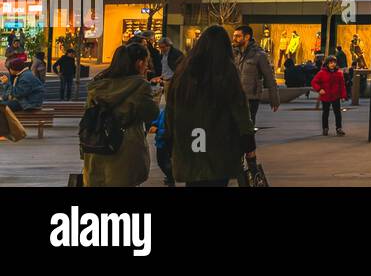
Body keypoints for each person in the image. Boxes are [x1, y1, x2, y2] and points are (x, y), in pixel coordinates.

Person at [168, 25, 258, 187]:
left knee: (194, 181)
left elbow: (171, 109)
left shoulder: (184, 71)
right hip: (218, 146)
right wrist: (248, 143)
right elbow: (240, 110)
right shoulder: (225, 71)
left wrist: (168, 137)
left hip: (190, 143)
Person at [81, 43, 159, 187]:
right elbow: (151, 114)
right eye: (146, 62)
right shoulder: (139, 86)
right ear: (139, 63)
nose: (147, 66)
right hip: (125, 147)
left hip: (96, 145)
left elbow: (88, 114)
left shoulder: (98, 85)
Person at [232, 23, 279, 130]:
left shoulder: (259, 55)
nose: (234, 39)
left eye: (238, 36)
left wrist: (274, 99)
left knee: (247, 126)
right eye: (234, 36)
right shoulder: (234, 54)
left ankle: (247, 145)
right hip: (235, 96)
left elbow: (269, 78)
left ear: (247, 37)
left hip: (251, 97)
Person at [312, 55, 348, 136]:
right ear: (327, 64)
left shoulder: (339, 73)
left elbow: (342, 85)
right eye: (331, 63)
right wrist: (319, 89)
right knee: (325, 112)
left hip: (336, 96)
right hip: (326, 96)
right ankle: (325, 128)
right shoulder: (322, 73)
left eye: (334, 62)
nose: (332, 64)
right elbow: (314, 82)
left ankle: (339, 128)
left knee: (337, 113)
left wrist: (343, 96)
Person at [149, 104, 174, 186]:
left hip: (166, 142)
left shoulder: (173, 112)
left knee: (163, 162)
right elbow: (159, 118)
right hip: (161, 142)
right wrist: (154, 124)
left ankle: (171, 179)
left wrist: (157, 131)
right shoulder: (166, 110)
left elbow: (171, 131)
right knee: (163, 162)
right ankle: (170, 177)